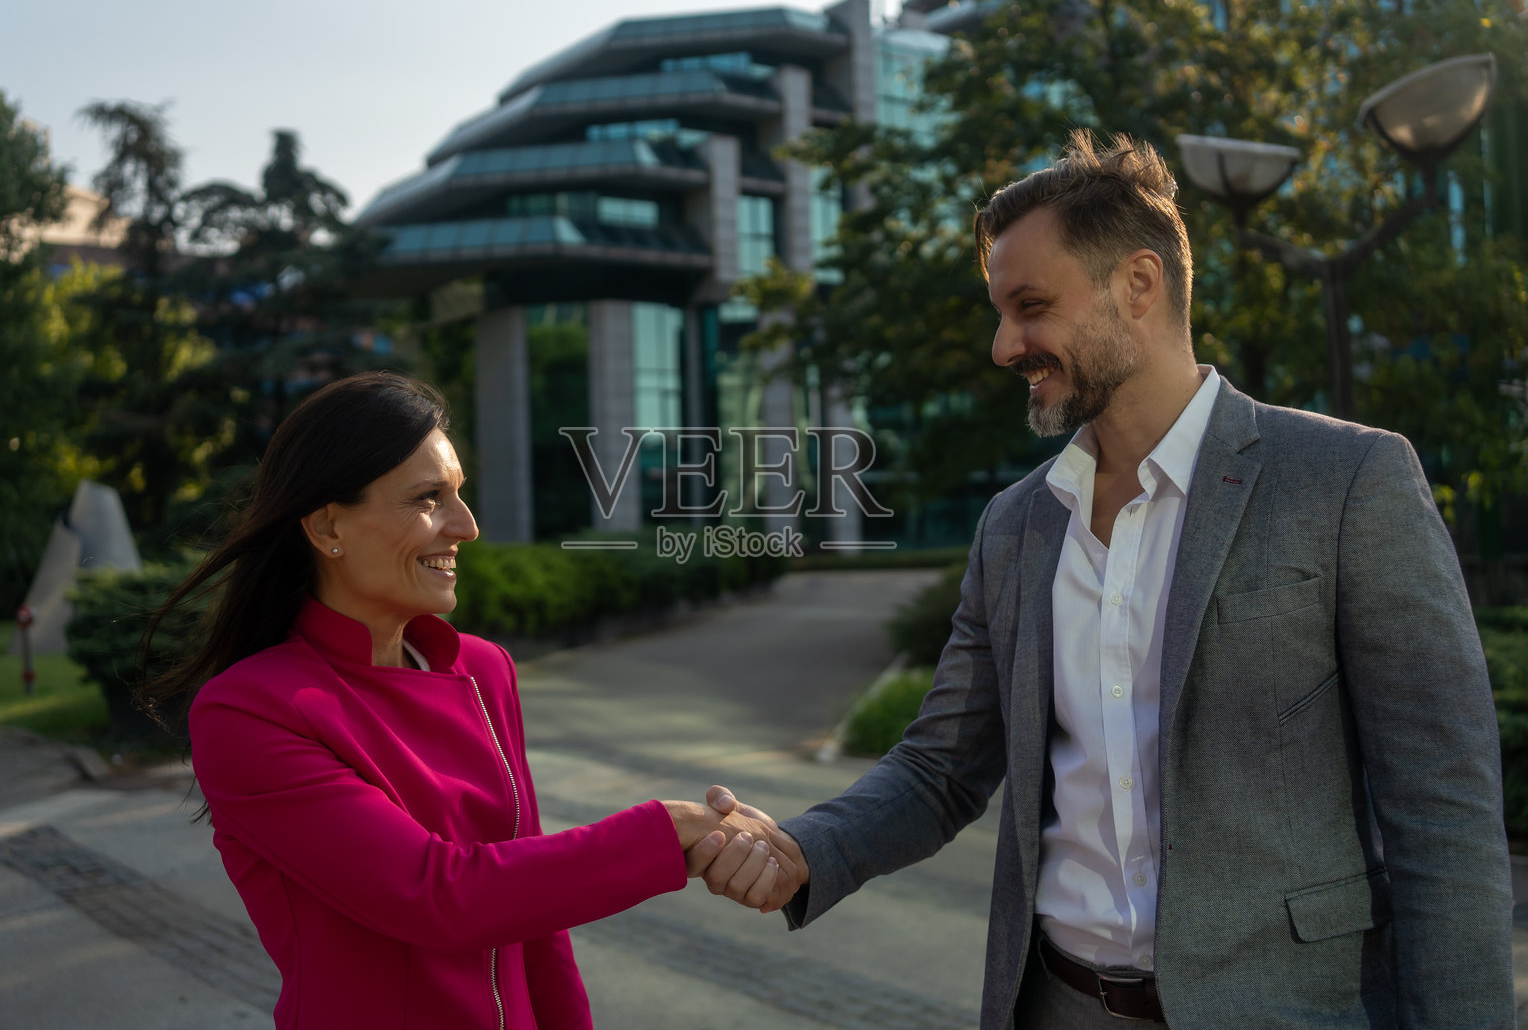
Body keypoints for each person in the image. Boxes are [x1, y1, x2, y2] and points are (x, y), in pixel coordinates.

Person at [694, 132, 1515, 1027]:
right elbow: (940, 767)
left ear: (1137, 285)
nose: (1005, 345)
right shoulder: (1014, 526)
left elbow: (1442, 806)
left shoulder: (1348, 481)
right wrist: (801, 849)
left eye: (1030, 306)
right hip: (1059, 1003)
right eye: (1001, 313)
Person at [142, 372, 796, 1030]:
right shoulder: (247, 712)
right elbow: (437, 895)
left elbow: (539, 926)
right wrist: (666, 829)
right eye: (429, 498)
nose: (467, 526)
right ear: (327, 524)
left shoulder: (485, 671)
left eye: (460, 494)